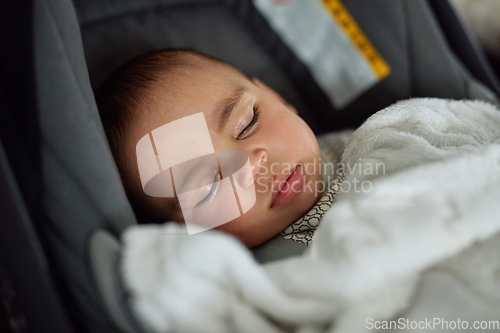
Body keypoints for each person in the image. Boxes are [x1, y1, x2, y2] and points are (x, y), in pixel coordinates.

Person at [97, 48, 341, 247]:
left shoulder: (371, 137)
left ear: (275, 97)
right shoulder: (236, 285)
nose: (252, 165)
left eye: (246, 123)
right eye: (209, 188)